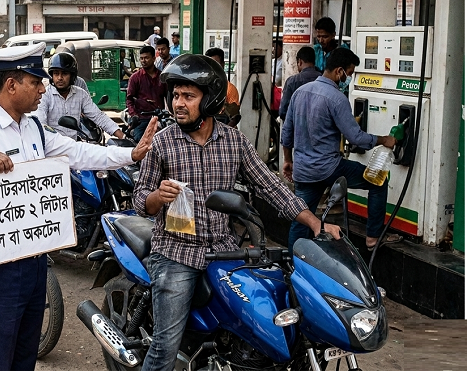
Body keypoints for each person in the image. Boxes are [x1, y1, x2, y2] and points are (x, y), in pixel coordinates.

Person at [0, 41, 158, 371]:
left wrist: (131, 154)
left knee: (24, 358)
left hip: (35, 263)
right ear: (12, 85)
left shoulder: (33, 127)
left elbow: (78, 152)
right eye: (36, 82)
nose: (44, 89)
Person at [134, 54, 341, 371]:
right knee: (165, 346)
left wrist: (315, 223)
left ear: (210, 100)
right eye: (175, 95)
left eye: (188, 96)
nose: (178, 103)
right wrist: (158, 197)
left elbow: (271, 186)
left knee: (265, 322)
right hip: (176, 252)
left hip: (225, 251)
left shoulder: (234, 141)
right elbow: (140, 200)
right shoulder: (163, 143)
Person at [281, 48, 399, 253]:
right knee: (378, 181)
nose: (348, 78)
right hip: (329, 168)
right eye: (349, 73)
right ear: (339, 71)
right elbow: (356, 137)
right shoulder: (336, 98)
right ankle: (373, 237)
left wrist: (287, 160)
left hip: (304, 170)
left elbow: (286, 133)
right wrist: (384, 140)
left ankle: (293, 263)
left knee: (301, 218)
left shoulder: (300, 92)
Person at [33, 51, 124, 141]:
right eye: (56, 73)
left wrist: (122, 136)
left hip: (74, 145)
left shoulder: (81, 94)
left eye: (64, 73)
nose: (60, 78)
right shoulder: (44, 95)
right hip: (52, 146)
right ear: (51, 76)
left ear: (72, 76)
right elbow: (40, 124)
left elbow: (98, 116)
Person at [126, 45, 167, 142]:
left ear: (154, 58)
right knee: (140, 140)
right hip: (142, 118)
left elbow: (169, 97)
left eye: (146, 58)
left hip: (159, 117)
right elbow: (129, 99)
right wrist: (134, 115)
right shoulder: (135, 77)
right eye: (141, 58)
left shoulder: (162, 77)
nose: (143, 61)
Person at [278, 46, 321, 121]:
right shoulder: (324, 79)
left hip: (297, 125)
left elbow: (283, 112)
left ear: (300, 61)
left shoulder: (292, 81)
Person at [205, 48, 241, 127]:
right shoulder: (201, 86)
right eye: (210, 63)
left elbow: (234, 117)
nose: (213, 67)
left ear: (223, 64)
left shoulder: (230, 89)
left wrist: (224, 131)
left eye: (216, 63)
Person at [313, 17, 350, 90]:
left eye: (325, 37)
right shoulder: (316, 50)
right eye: (318, 37)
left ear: (333, 35)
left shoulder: (343, 52)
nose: (321, 40)